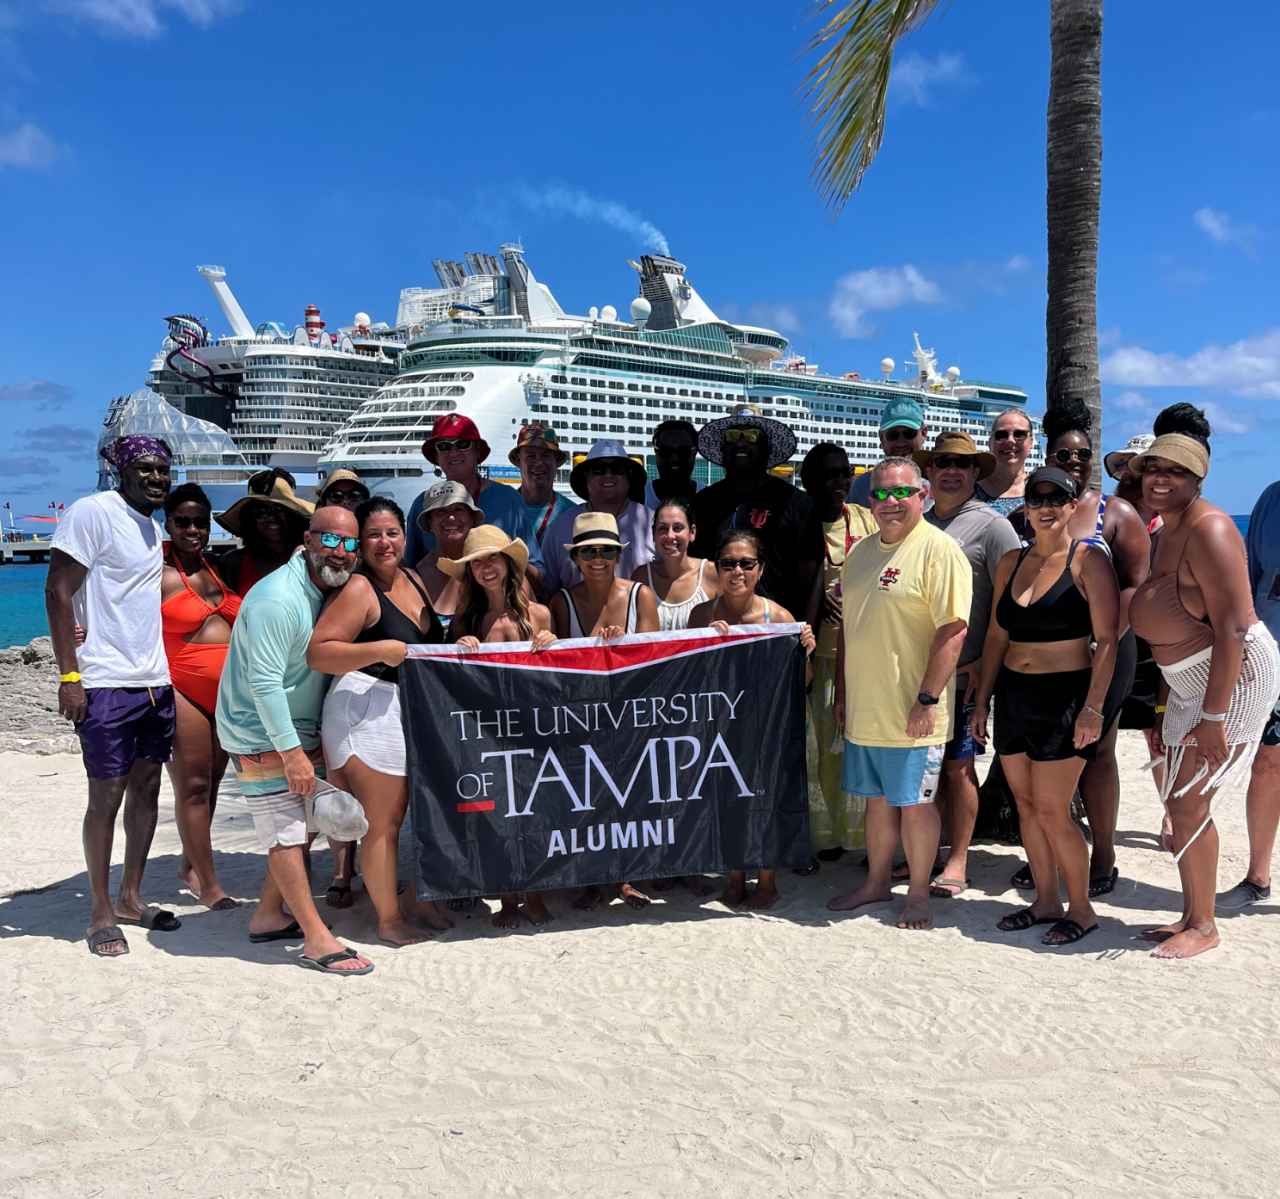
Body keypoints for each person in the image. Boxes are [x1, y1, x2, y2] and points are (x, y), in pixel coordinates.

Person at [1128, 414, 1280, 959]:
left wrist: (1214, 719)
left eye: (1176, 471)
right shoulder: (1167, 527)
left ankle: (1206, 925)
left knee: (1191, 800)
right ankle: (1191, 915)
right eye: (1153, 469)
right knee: (1179, 795)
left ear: (1199, 480)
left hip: (1233, 678)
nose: (1160, 479)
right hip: (1190, 679)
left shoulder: (1210, 529)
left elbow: (1235, 628)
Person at [215, 506, 374, 975]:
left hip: (297, 729)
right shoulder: (277, 599)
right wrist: (291, 754)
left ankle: (268, 916)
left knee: (303, 822)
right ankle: (315, 937)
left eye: (350, 545)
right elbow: (264, 684)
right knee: (285, 833)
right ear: (308, 540)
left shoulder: (323, 589)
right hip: (257, 731)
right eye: (331, 541)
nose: (341, 553)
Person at [971, 467, 1120, 947]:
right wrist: (982, 703)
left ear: (1073, 505)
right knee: (1027, 806)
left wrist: (1093, 709)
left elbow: (1109, 642)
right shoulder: (1010, 562)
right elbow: (996, 636)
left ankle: (1082, 909)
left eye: (1058, 498)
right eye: (1037, 499)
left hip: (1065, 698)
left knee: (1054, 810)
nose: (1047, 507)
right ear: (1026, 509)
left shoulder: (1088, 561)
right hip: (1014, 696)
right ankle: (1046, 902)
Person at [1008, 398, 1149, 898]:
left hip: (1109, 643)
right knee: (1049, 754)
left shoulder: (1118, 512)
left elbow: (1136, 583)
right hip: (1052, 651)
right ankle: (1052, 844)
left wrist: (1102, 629)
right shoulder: (1036, 506)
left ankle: (1103, 854)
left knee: (1099, 751)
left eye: (1083, 455)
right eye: (1064, 454)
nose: (1074, 462)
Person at [46, 435, 180, 957]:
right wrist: (70, 675)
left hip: (153, 682)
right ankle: (100, 910)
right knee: (105, 797)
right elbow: (58, 589)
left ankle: (130, 897)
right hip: (103, 683)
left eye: (162, 470)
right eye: (145, 468)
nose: (155, 478)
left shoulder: (150, 527)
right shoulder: (92, 512)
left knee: (146, 791)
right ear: (121, 470)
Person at [826, 457, 971, 932]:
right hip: (867, 706)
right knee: (876, 802)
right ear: (870, 502)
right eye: (882, 494)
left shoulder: (939, 550)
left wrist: (927, 700)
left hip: (915, 710)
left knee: (915, 804)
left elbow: (953, 630)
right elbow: (850, 626)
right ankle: (876, 883)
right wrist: (843, 691)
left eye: (901, 493)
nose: (891, 502)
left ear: (922, 496)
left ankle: (918, 896)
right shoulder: (862, 552)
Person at [307, 497, 450, 947]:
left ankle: (406, 903)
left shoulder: (411, 577)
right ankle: (388, 921)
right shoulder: (358, 589)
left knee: (402, 814)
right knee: (382, 823)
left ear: (405, 536)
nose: (384, 542)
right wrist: (379, 649)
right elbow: (319, 653)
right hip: (364, 708)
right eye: (373, 535)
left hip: (401, 708)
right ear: (360, 543)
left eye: (392, 533)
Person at [917, 432, 1021, 898]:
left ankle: (959, 858)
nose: (951, 470)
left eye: (961, 463)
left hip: (967, 673)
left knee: (958, 768)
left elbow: (1013, 604)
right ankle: (929, 854)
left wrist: (988, 671)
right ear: (929, 470)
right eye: (942, 462)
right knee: (927, 767)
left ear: (976, 472)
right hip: (920, 674)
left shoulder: (992, 526)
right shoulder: (917, 525)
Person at [689, 530, 816, 908]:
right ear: (717, 568)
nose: (738, 571)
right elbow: (685, 678)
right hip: (721, 727)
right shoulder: (701, 615)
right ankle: (735, 878)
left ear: (760, 569)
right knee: (726, 800)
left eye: (747, 563)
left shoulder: (777, 617)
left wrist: (805, 653)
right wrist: (705, 645)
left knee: (768, 799)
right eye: (729, 563)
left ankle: (767, 881)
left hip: (768, 726)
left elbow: (802, 683)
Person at [446, 526, 558, 928]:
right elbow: (450, 681)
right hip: (488, 733)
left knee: (536, 813)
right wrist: (458, 650)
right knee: (500, 816)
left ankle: (535, 893)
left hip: (533, 729)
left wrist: (550, 641)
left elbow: (559, 675)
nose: (485, 567)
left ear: (508, 564)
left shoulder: (538, 613)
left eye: (492, 557)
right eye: (476, 561)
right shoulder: (467, 619)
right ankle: (509, 897)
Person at [548, 512, 660, 912]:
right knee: (586, 798)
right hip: (581, 715)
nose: (598, 558)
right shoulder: (561, 601)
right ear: (575, 558)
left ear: (618, 555)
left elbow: (654, 658)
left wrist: (622, 645)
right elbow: (557, 668)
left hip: (630, 712)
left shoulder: (640, 595)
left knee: (630, 798)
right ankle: (592, 879)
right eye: (589, 551)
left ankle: (625, 878)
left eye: (607, 550)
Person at [160, 482, 241, 913]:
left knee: (210, 787)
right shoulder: (155, 569)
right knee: (192, 786)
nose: (193, 529)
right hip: (182, 688)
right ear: (167, 522)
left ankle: (190, 867)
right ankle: (209, 885)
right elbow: (109, 606)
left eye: (200, 522)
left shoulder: (216, 567)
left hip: (225, 694)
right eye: (183, 521)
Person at [798, 443, 877, 869]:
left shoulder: (862, 518)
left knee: (861, 745)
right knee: (822, 751)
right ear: (809, 480)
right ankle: (827, 834)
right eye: (830, 474)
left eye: (846, 473)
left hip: (866, 653)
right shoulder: (801, 522)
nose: (841, 481)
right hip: (822, 655)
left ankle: (864, 835)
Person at [692, 405, 823, 628]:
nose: (741, 442)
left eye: (752, 436)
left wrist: (803, 644)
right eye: (733, 435)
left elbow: (813, 583)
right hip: (714, 629)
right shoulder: (702, 503)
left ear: (766, 447)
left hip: (777, 629)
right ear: (722, 447)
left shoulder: (797, 504)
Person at [1220, 467, 1280, 909]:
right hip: (1272, 660)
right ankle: (1258, 877)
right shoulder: (1271, 498)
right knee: (1266, 766)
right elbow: (1247, 580)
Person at [309, 468, 370, 901]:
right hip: (321, 681)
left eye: (355, 495)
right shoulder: (319, 552)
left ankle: (361, 866)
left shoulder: (361, 555)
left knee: (364, 786)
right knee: (334, 784)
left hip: (359, 687)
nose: (346, 499)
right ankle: (340, 872)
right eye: (337, 494)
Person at [404, 414, 543, 578]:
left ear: (477, 451)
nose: (453, 452)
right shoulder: (422, 504)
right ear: (436, 456)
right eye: (444, 446)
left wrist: (508, 551)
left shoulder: (510, 499)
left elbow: (539, 576)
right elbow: (410, 574)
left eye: (463, 444)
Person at [542, 440, 655, 591]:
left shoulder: (655, 524)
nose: (608, 475)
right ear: (586, 477)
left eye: (618, 469)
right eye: (598, 469)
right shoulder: (558, 528)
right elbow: (548, 590)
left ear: (629, 476)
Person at [216, 469, 314, 598]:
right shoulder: (233, 563)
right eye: (260, 512)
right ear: (250, 519)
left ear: (294, 515)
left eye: (279, 510)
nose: (270, 518)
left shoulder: (309, 558)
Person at [631, 496, 720, 633]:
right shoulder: (642, 577)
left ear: (692, 532)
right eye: (662, 528)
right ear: (654, 535)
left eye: (678, 528)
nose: (670, 536)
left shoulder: (712, 574)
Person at [414, 480, 486, 635]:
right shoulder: (414, 579)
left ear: (471, 519)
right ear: (430, 523)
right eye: (441, 511)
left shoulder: (492, 568)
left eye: (459, 509)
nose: (451, 518)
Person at [847, 398, 929, 507]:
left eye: (909, 434)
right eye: (892, 435)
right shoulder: (861, 486)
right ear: (881, 437)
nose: (900, 443)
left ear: (923, 434)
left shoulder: (939, 484)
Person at [511, 423, 575, 546]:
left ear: (557, 461)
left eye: (546, 456)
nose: (538, 463)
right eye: (530, 456)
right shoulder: (500, 510)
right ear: (518, 461)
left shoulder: (573, 515)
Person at [975, 408, 1035, 517]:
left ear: (1031, 442)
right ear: (990, 442)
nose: (1010, 440)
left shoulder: (1040, 492)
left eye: (1019, 434)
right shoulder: (968, 491)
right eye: (1001, 435)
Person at [644, 419, 702, 508]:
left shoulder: (708, 497)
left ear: (695, 452)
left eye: (682, 452)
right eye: (666, 452)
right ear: (656, 452)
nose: (674, 459)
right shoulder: (639, 496)